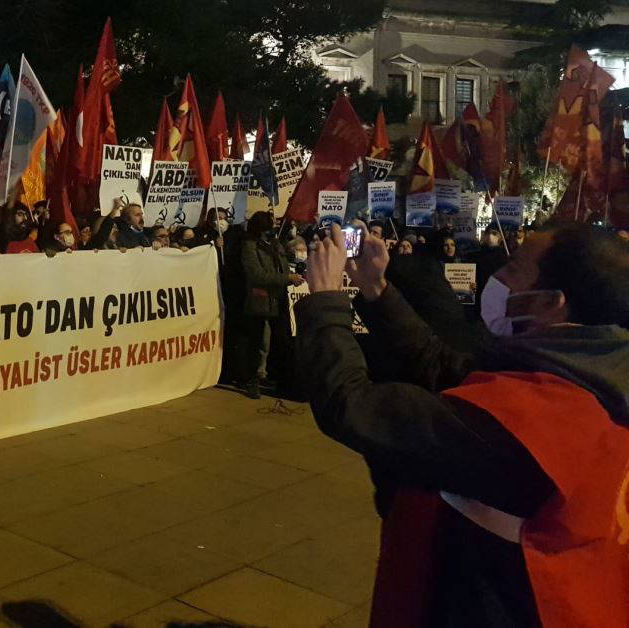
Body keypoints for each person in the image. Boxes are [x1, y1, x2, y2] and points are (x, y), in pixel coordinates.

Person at [296, 223, 629, 626]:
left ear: (550, 303)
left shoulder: (534, 423)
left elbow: (350, 405)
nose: (498, 276)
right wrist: (375, 288)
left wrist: (325, 300)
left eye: (514, 267)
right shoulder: (590, 375)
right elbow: (444, 366)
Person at [237, 212, 303, 398]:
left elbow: (282, 266)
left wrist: (290, 277)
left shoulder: (275, 244)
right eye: (271, 224)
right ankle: (252, 380)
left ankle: (280, 380)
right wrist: (286, 278)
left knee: (282, 340)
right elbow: (256, 275)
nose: (274, 227)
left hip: (278, 298)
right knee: (256, 341)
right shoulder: (250, 246)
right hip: (260, 299)